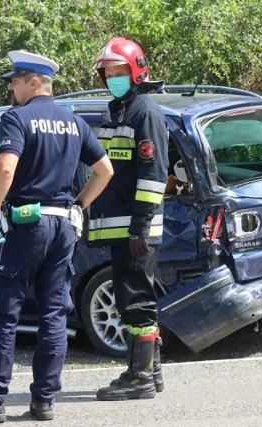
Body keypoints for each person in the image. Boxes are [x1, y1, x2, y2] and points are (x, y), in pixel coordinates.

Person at [0, 50, 113, 423]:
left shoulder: (17, 117)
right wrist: (79, 205)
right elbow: (105, 170)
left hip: (27, 225)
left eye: (15, 81)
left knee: (5, 313)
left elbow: (5, 166)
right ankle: (44, 401)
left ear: (34, 82)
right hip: (64, 226)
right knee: (53, 316)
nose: (10, 88)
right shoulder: (73, 122)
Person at [89, 37, 169, 401]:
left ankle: (139, 379)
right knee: (133, 300)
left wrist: (139, 226)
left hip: (136, 228)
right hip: (122, 225)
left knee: (136, 303)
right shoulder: (119, 110)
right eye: (107, 72)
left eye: (117, 71)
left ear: (135, 71)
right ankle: (150, 374)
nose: (111, 77)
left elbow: (153, 175)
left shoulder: (144, 112)